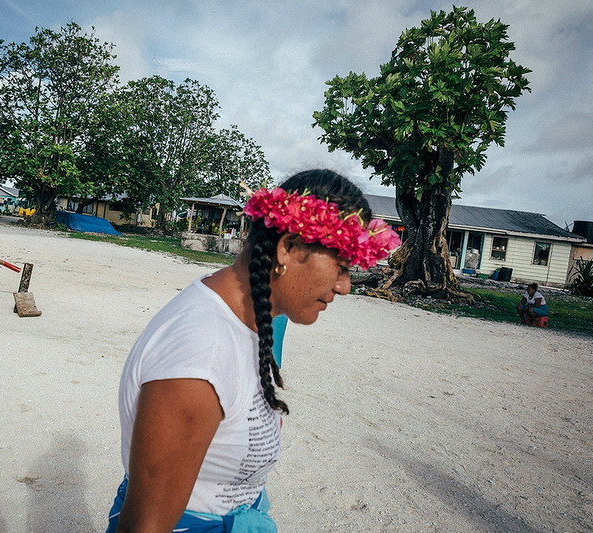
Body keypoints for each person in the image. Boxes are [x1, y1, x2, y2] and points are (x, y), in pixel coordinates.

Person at [105, 169, 401, 532]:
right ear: (288, 248)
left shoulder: (254, 315)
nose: (345, 287)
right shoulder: (201, 354)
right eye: (340, 267)